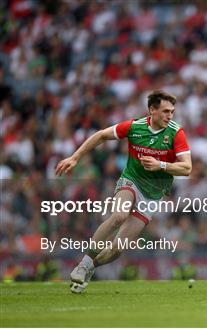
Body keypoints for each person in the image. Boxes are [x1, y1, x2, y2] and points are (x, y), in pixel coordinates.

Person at [55, 90, 192, 293]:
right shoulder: (134, 127)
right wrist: (75, 157)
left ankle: (90, 268)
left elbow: (187, 168)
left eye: (172, 112)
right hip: (131, 182)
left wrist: (160, 165)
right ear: (152, 110)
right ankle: (84, 262)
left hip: (153, 196)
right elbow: (101, 135)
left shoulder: (176, 133)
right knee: (118, 216)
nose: (169, 116)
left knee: (119, 248)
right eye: (165, 111)